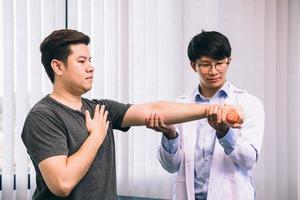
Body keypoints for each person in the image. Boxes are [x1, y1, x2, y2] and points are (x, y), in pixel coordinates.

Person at [21, 29, 242, 200]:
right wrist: (96, 137)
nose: (91, 67)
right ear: (57, 67)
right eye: (81, 61)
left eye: (90, 60)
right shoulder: (44, 116)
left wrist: (212, 109)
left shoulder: (99, 108)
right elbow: (62, 183)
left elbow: (154, 109)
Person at [145, 31, 264, 200]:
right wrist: (170, 134)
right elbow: (170, 167)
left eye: (219, 63)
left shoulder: (249, 104)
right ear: (193, 65)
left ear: (229, 61)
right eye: (206, 64)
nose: (214, 71)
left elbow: (249, 161)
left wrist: (225, 133)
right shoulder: (180, 106)